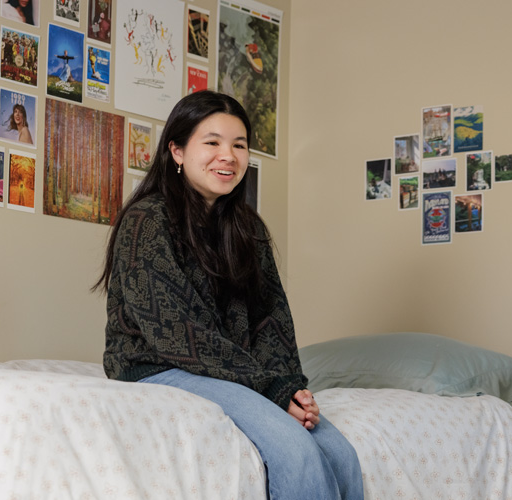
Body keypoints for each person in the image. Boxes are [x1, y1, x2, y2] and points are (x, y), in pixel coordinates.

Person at [94, 91, 363, 500]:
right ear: (178, 151)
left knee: (340, 454)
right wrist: (270, 390)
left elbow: (272, 321)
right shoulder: (147, 220)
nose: (229, 156)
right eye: (213, 142)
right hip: (157, 365)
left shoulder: (247, 229)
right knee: (296, 452)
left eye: (239, 145)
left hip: (231, 372)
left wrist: (290, 386)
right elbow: (176, 333)